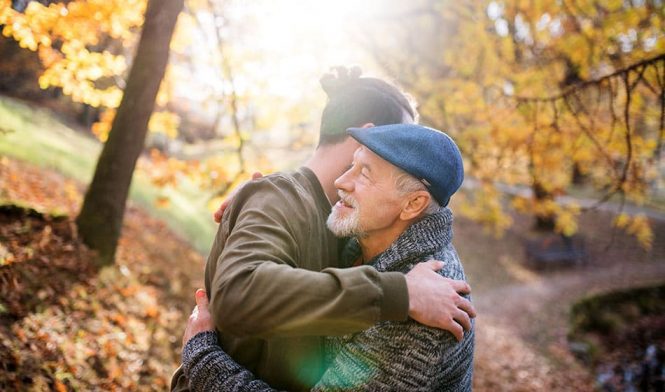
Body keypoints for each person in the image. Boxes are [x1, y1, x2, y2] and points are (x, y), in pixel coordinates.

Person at [171, 67, 476, 391]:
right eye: (396, 141)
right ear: (365, 134)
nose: (409, 147)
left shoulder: (422, 288)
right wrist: (261, 196)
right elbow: (241, 293)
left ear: (413, 203)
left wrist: (203, 357)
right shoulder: (292, 206)